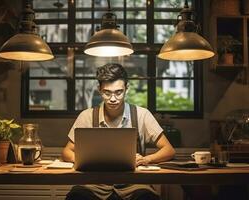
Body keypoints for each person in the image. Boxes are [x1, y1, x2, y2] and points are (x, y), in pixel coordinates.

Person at [62, 63, 175, 200]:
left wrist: (146, 159)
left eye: (118, 92)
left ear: (127, 89)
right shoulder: (87, 116)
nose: (113, 99)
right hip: (94, 184)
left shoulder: (142, 114)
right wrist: (84, 161)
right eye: (107, 93)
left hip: (134, 184)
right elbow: (66, 151)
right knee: (76, 197)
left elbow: (168, 150)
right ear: (99, 89)